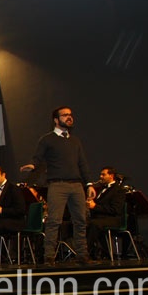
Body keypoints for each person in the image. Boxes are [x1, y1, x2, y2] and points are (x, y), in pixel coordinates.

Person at [21, 106, 96, 265]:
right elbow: (38, 157)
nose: (69, 117)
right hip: (57, 185)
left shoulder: (75, 141)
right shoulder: (47, 139)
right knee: (54, 221)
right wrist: (33, 165)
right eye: (65, 115)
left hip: (76, 185)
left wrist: (89, 184)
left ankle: (82, 255)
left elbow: (82, 163)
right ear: (56, 120)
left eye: (70, 114)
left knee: (81, 221)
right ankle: (49, 257)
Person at [85, 167, 127, 259]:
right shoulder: (102, 188)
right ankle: (102, 252)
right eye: (100, 174)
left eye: (103, 174)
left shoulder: (118, 190)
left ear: (111, 176)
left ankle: (85, 252)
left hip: (113, 219)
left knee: (94, 224)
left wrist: (95, 206)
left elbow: (115, 210)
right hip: (101, 218)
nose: (100, 177)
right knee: (81, 223)